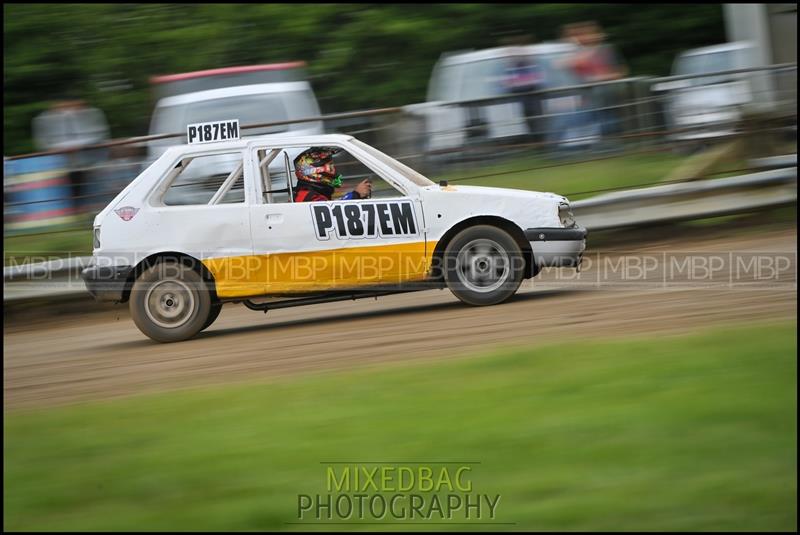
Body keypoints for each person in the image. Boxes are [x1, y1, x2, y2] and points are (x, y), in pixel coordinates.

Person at [292, 147, 372, 202]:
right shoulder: (305, 196)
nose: (333, 170)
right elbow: (330, 213)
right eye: (329, 166)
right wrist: (355, 194)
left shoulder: (314, 193)